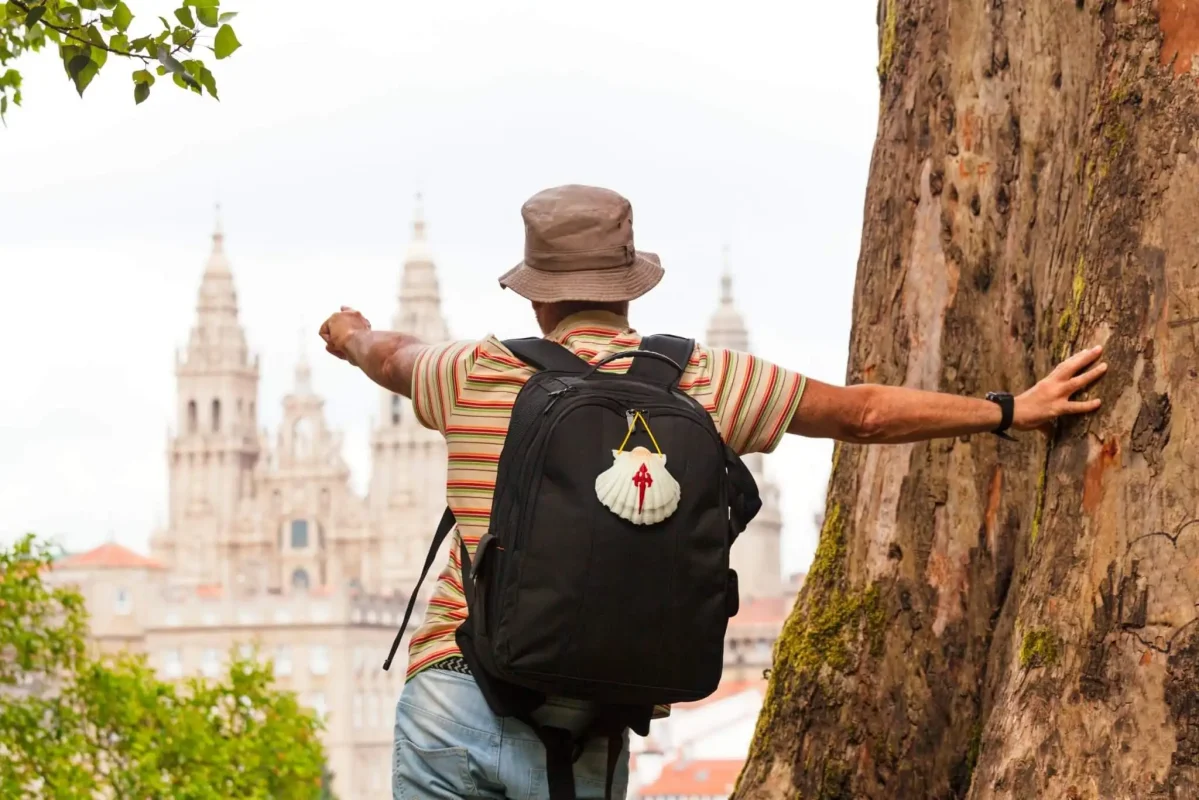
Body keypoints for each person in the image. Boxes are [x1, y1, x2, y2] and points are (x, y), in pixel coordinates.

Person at [320, 184, 1107, 799]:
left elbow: (393, 355)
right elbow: (862, 413)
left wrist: (350, 335)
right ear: (630, 287)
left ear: (534, 295)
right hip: (585, 716)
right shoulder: (700, 377)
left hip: (453, 696)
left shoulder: (475, 372)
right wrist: (1010, 409)